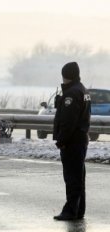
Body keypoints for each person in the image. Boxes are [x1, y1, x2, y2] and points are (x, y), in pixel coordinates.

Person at [53, 62, 91, 221]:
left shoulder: (71, 94)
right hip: (81, 139)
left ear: (65, 75)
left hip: (72, 141)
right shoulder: (83, 90)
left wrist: (61, 140)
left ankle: (70, 211)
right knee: (79, 177)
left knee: (72, 177)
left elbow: (68, 121)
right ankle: (78, 209)